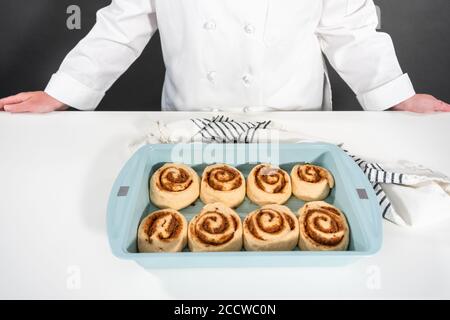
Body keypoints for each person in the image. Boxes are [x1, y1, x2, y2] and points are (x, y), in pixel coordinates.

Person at [1, 0, 449, 113]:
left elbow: (350, 30)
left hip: (298, 119)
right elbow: (124, 26)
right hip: (194, 118)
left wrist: (397, 96)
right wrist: (63, 92)